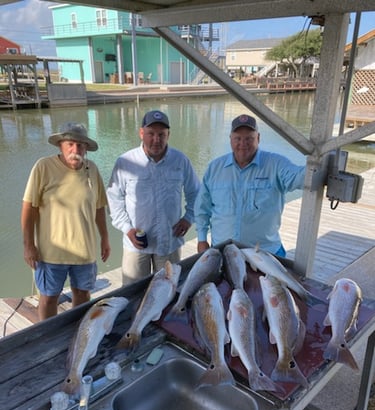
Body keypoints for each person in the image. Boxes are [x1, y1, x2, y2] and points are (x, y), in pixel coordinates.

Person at [21, 122, 111, 320]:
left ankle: (76, 334)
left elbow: (99, 208)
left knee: (83, 295)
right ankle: (47, 338)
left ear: (86, 147)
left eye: (80, 145)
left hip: (85, 253)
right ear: (61, 145)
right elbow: (29, 208)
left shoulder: (93, 169)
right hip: (50, 254)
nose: (75, 149)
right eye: (70, 143)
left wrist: (105, 238)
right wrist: (29, 245)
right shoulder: (43, 167)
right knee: (49, 298)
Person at [107, 109, 200, 284]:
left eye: (161, 134)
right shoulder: (125, 162)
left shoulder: (181, 161)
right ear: (141, 133)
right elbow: (114, 199)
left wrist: (188, 218)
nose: (156, 139)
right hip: (135, 244)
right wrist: (127, 228)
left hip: (169, 242)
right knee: (132, 293)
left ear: (168, 135)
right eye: (151, 133)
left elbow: (196, 193)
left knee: (169, 290)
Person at [194, 114, 305, 257]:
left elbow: (298, 177)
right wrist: (202, 239)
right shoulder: (214, 168)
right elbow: (202, 208)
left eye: (249, 138)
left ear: (258, 138)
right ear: (230, 139)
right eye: (238, 138)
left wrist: (318, 164)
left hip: (265, 253)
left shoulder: (276, 164)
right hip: (224, 252)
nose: (243, 143)